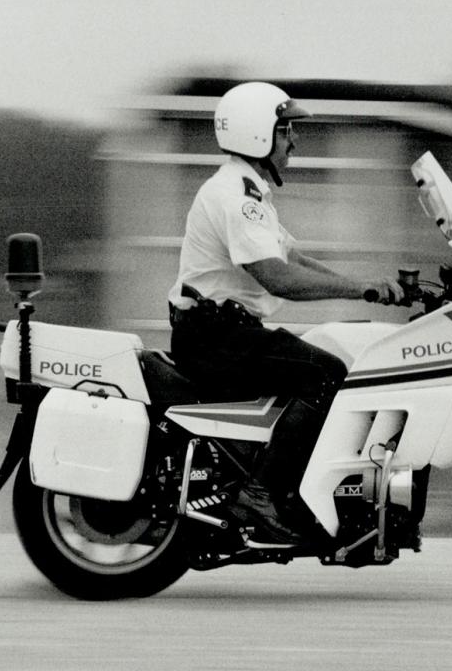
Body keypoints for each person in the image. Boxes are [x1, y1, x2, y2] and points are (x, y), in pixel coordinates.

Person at [167, 81, 401, 543]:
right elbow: (279, 278)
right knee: (326, 372)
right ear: (258, 135)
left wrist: (373, 289)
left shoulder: (249, 193)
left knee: (326, 361)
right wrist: (360, 288)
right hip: (216, 338)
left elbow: (293, 258)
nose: (293, 140)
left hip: (225, 333)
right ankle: (260, 493)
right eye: (286, 129)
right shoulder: (236, 196)